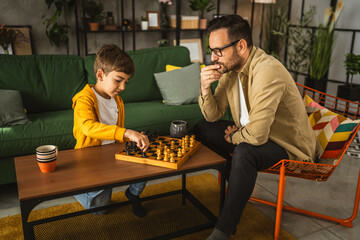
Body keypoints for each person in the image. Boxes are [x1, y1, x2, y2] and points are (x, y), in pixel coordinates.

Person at [195, 15, 318, 240]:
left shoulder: (267, 71)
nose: (213, 57)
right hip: (251, 134)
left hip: (286, 144)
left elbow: (258, 135)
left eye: (218, 50)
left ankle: (223, 231)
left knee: (244, 152)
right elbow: (212, 116)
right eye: (211, 50)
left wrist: (235, 137)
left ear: (241, 45)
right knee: (201, 128)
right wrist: (204, 88)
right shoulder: (230, 70)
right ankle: (238, 182)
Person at [72, 44, 150, 217]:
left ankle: (133, 194)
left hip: (114, 154)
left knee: (149, 160)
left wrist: (134, 138)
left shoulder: (117, 100)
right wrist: (126, 132)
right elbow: (89, 127)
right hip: (91, 158)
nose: (122, 87)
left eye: (125, 82)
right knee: (100, 211)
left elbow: (118, 132)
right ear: (100, 75)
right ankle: (75, 184)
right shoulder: (83, 99)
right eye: (118, 80)